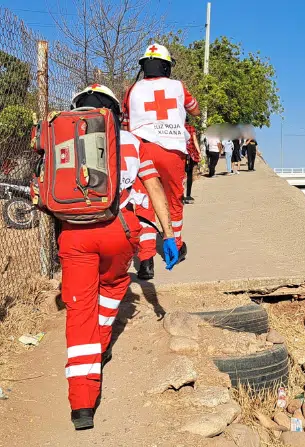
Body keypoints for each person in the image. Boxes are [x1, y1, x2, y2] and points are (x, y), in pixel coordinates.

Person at [59, 85, 178, 430]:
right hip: (119, 229)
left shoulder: (62, 133)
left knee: (79, 310)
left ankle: (82, 405)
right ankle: (101, 343)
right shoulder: (132, 142)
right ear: (116, 111)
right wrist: (168, 236)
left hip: (74, 232)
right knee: (112, 287)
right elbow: (154, 187)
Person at [124, 43, 200, 277]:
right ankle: (176, 247)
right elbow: (194, 109)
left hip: (142, 149)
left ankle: (145, 260)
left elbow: (125, 119)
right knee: (173, 200)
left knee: (142, 202)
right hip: (171, 149)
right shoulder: (178, 86)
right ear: (167, 67)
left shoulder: (132, 89)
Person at [183, 122, 201, 204]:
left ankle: (180, 195)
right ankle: (188, 195)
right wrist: (199, 152)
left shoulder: (177, 127)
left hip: (179, 153)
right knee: (189, 174)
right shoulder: (191, 128)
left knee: (180, 175)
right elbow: (194, 140)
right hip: (190, 154)